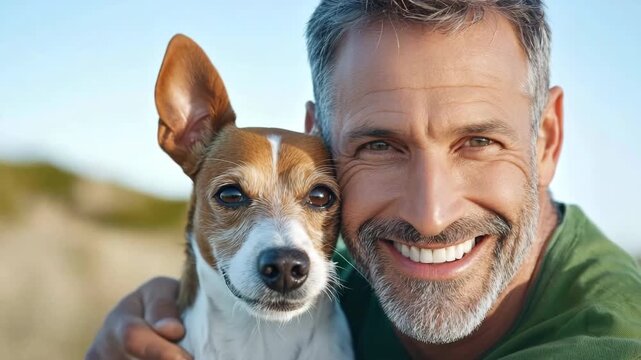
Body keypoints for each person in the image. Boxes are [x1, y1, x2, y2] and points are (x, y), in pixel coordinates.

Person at [86, 1, 641, 359]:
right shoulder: (346, 276)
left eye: (478, 142)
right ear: (319, 139)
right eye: (380, 145)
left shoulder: (609, 341)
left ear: (545, 139)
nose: (431, 214)